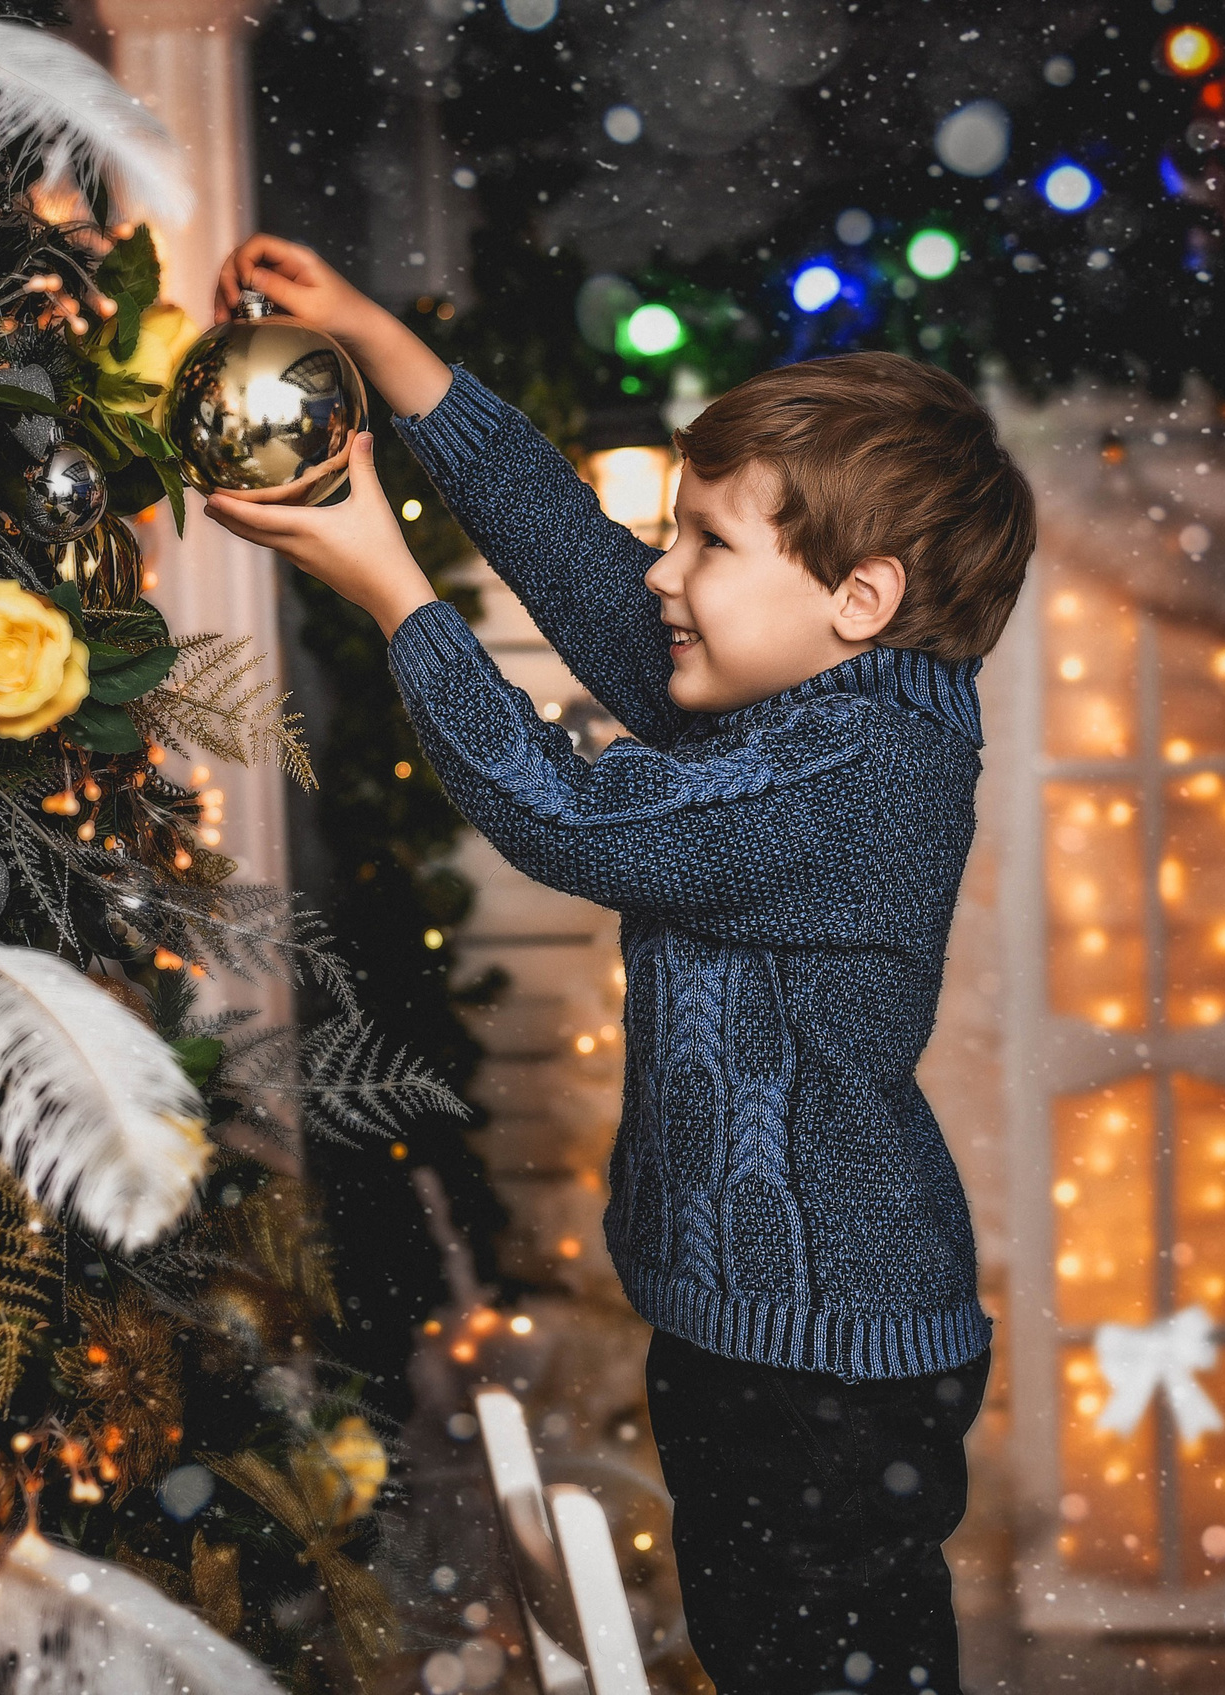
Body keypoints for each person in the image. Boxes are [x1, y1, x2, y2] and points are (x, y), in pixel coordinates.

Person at [204, 234, 1034, 1695]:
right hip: (748, 1337)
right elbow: (593, 576)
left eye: (713, 542)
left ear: (862, 599)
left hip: (827, 1370)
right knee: (758, 1651)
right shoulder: (794, 705)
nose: (667, 566)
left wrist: (396, 588)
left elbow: (570, 813)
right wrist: (389, 354)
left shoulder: (862, 760)